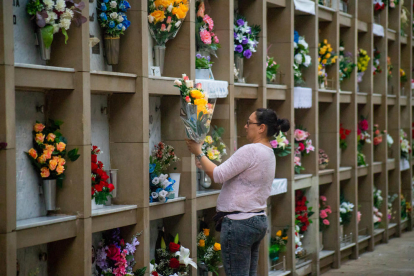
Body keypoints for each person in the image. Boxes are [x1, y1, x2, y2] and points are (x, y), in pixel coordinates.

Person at [186, 108, 290, 276]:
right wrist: (204, 161)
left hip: (239, 223)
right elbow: (227, 174)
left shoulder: (250, 150)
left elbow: (219, 175)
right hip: (257, 219)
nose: (245, 126)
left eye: (249, 123)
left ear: (261, 127)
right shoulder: (269, 152)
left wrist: (198, 151)